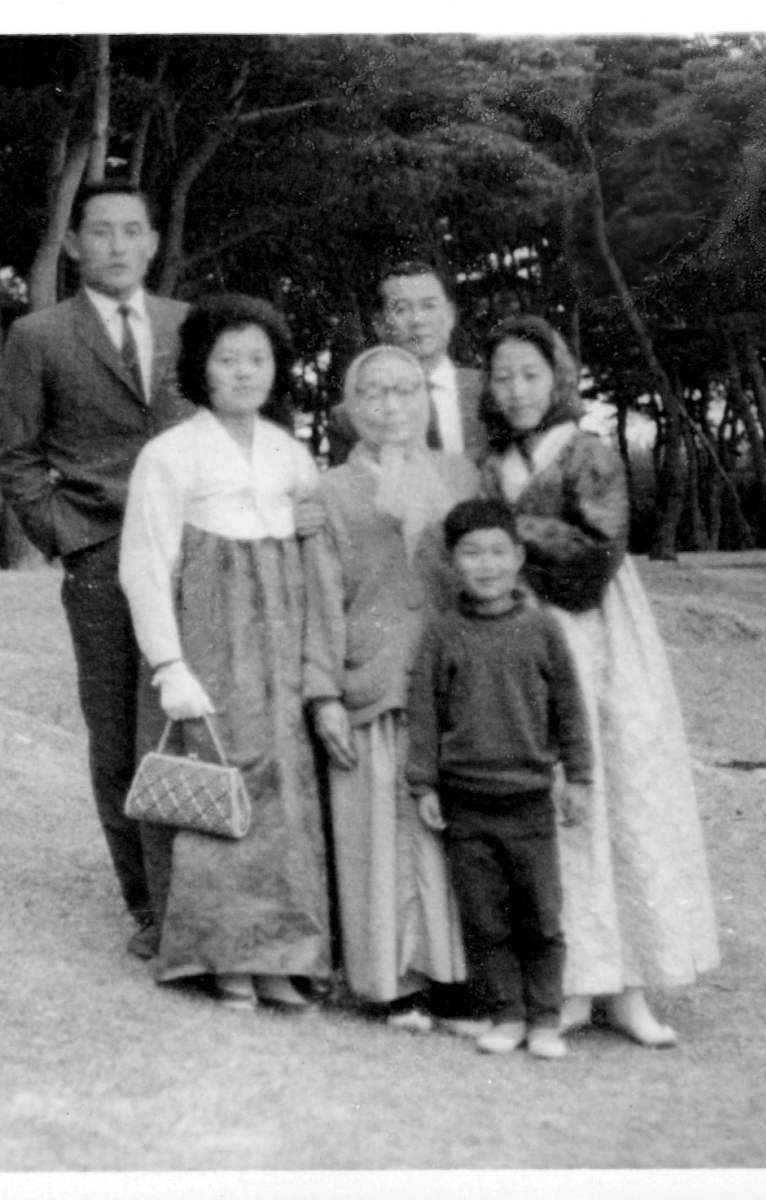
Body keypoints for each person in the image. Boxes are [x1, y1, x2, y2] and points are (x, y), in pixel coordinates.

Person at [478, 314, 720, 1046]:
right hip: (525, 631)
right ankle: (576, 980)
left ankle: (632, 984)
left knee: (615, 787)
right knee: (550, 794)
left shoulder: (588, 452)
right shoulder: (494, 461)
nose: (517, 390)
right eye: (502, 376)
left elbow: (596, 550)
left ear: (558, 378)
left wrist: (511, 531)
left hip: (596, 634)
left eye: (531, 374)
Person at [118, 293, 333, 1011]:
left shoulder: (291, 455)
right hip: (210, 637)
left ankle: (283, 957)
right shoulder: (170, 455)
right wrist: (169, 665)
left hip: (282, 639)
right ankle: (225, 957)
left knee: (286, 791)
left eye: (258, 359)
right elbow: (144, 566)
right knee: (224, 785)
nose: (244, 373)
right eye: (227, 358)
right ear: (200, 369)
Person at [0, 181, 190, 961]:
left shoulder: (188, 324)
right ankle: (148, 903)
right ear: (74, 244)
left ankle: (208, 891)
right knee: (117, 734)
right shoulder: (38, 336)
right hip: (102, 553)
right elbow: (16, 457)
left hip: (194, 551)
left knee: (195, 718)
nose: (117, 245)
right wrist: (68, 536)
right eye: (101, 232)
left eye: (132, 230)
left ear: (152, 243)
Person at [308, 345, 478, 1032]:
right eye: (373, 392)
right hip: (370, 681)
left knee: (449, 831)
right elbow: (320, 597)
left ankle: (455, 977)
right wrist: (323, 694)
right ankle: (390, 981)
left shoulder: (459, 475)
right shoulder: (328, 491)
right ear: (352, 406)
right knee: (376, 834)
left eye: (405, 390)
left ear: (425, 400)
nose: (390, 406)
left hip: (449, 683)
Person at [406, 498, 593, 1061]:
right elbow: (425, 714)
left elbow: (570, 709)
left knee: (541, 916)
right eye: (471, 553)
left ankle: (545, 1019)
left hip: (529, 802)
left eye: (497, 552)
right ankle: (506, 1014)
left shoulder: (542, 629)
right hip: (465, 803)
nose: (485, 565)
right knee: (484, 919)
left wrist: (579, 777)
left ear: (518, 557)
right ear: (452, 561)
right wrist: (424, 784)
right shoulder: (442, 633)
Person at [326, 262, 489, 466]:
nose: (418, 320)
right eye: (401, 309)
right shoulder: (351, 416)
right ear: (379, 325)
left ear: (450, 315)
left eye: (428, 306)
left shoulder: (489, 390)